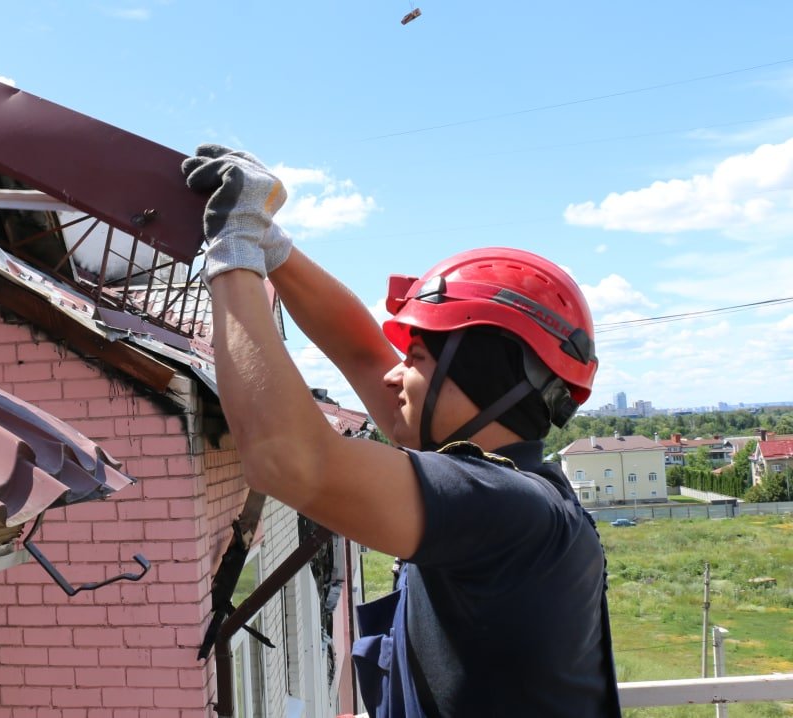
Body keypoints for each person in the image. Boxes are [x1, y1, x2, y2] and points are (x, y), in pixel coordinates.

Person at [182, 144, 621, 716]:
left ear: (477, 379)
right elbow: (363, 355)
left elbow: (285, 460)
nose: (393, 372)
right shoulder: (521, 493)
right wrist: (269, 245)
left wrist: (232, 249)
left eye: (414, 357)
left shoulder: (504, 508)